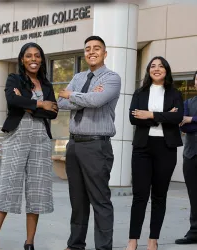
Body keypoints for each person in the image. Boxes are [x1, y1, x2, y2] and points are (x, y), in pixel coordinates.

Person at [0, 42, 58, 250]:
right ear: (22, 59)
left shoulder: (46, 85)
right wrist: (39, 104)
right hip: (17, 136)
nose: (33, 59)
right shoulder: (14, 79)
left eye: (37, 55)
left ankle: (29, 243)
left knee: (36, 191)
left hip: (41, 139)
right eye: (29, 56)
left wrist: (29, 105)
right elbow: (11, 100)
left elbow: (53, 112)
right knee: (7, 188)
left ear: (42, 60)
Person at [58, 35, 121, 250]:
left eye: (96, 48)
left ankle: (103, 248)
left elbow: (96, 101)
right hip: (74, 145)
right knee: (77, 200)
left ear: (105, 53)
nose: (91, 51)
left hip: (96, 146)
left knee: (100, 200)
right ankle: (75, 245)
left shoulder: (111, 78)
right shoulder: (78, 77)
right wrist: (80, 97)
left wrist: (72, 95)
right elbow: (60, 102)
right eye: (87, 48)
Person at [126, 56, 184, 250]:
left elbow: (177, 117)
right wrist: (164, 116)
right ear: (148, 71)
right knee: (140, 195)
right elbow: (133, 117)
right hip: (143, 147)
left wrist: (150, 114)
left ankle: (153, 240)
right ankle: (132, 240)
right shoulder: (140, 92)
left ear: (166, 71)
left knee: (159, 196)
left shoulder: (174, 93)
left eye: (161, 66)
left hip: (166, 148)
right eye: (153, 66)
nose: (156, 69)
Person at [175, 71, 197, 245]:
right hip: (191, 154)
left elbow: (189, 123)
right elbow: (184, 126)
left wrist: (192, 120)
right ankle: (194, 232)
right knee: (193, 195)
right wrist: (189, 121)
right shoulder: (188, 103)